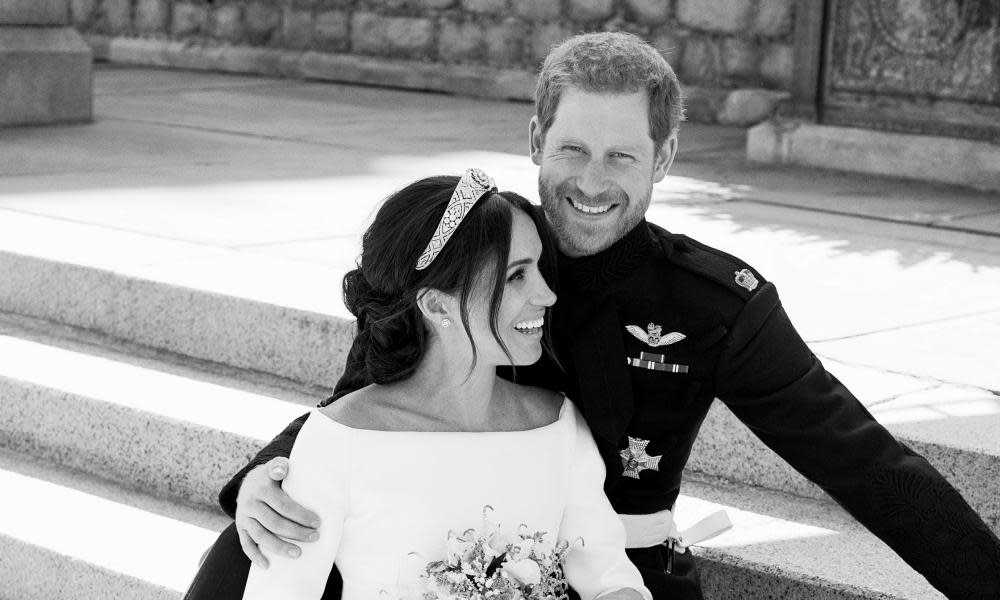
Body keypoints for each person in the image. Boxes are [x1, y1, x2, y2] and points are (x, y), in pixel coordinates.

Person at [212, 32, 1000, 600]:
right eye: (572, 150)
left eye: (622, 156)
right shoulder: (465, 263)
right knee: (266, 539)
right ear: (535, 140)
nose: (592, 181)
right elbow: (371, 395)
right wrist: (259, 481)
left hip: (621, 575)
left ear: (663, 158)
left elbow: (862, 462)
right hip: (437, 569)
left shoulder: (715, 303)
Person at [185, 170, 652, 600]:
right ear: (437, 305)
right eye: (516, 276)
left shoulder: (557, 427)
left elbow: (609, 577)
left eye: (538, 269)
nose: (547, 295)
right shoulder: (340, 441)